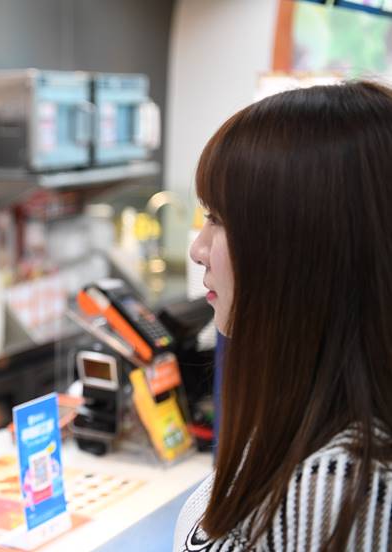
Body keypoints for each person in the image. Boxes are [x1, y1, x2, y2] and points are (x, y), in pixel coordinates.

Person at [175, 81, 392, 551]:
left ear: (300, 246)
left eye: (218, 220)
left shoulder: (341, 487)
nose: (198, 249)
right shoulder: (303, 423)